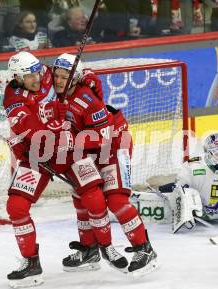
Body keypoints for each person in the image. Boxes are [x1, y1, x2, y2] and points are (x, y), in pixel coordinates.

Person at [2, 51, 127, 288]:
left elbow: (75, 73)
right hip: (39, 154)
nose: (37, 79)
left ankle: (105, 247)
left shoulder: (47, 73)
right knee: (16, 206)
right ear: (17, 77)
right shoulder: (13, 98)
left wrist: (89, 77)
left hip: (71, 151)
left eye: (37, 72)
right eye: (29, 76)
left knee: (94, 197)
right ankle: (31, 264)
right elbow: (31, 128)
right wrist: (53, 127)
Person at [51, 53, 158, 277]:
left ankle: (144, 249)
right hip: (88, 151)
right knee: (82, 197)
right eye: (56, 76)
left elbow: (104, 137)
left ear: (75, 78)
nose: (58, 81)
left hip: (114, 146)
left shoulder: (88, 100)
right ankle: (90, 250)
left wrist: (71, 141)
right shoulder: (58, 94)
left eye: (64, 77)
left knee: (116, 199)